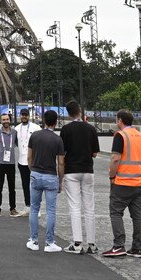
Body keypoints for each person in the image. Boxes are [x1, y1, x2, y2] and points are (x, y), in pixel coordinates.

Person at [102, 110, 141, 258]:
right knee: (137, 215)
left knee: (116, 212)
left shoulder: (120, 136)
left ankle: (119, 245)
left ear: (120, 120)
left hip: (122, 181)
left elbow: (115, 158)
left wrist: (111, 176)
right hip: (139, 181)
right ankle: (136, 248)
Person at [59, 99, 100, 254]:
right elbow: (95, 153)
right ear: (80, 110)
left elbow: (62, 154)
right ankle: (92, 243)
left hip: (71, 171)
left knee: (75, 206)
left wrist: (60, 176)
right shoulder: (90, 129)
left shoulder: (66, 130)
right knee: (89, 206)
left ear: (68, 113)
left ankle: (77, 243)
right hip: (88, 170)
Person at [24, 109, 65, 253]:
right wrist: (60, 180)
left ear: (43, 121)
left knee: (34, 209)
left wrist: (32, 170)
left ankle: (33, 241)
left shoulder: (34, 136)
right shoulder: (58, 140)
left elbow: (29, 157)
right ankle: (49, 242)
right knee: (51, 210)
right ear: (55, 122)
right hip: (50, 176)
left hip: (36, 173)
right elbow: (60, 163)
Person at [0, 112, 19, 216]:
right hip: (1, 163)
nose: (5, 121)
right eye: (3, 120)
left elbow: (19, 145)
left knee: (12, 188)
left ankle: (13, 209)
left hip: (11, 164)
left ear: (9, 120)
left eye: (7, 119)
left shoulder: (14, 133)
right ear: (1, 121)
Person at [13, 107, 37, 211]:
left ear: (29, 116)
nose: (24, 116)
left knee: (35, 186)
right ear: (20, 116)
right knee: (25, 185)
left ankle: (36, 207)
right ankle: (27, 206)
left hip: (34, 162)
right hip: (22, 161)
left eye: (26, 115)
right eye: (22, 115)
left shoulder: (36, 128)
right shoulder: (16, 129)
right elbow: (15, 143)